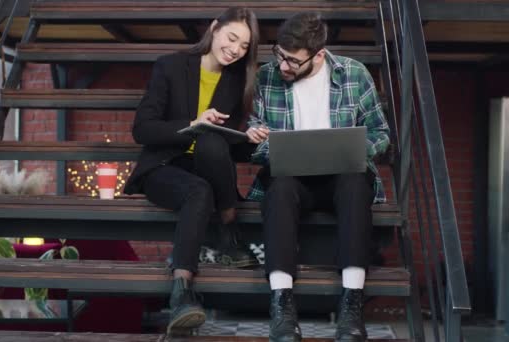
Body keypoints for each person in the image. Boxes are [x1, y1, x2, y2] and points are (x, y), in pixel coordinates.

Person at [245, 13, 390, 342]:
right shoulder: (266, 77)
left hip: (342, 177)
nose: (284, 66)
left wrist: (356, 151)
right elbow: (251, 140)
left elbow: (381, 133)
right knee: (279, 187)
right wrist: (257, 139)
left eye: (293, 61)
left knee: (355, 183)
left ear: (319, 54)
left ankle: (351, 304)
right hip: (291, 179)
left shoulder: (353, 74)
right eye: (280, 55)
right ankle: (282, 305)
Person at [124, 7, 260, 335]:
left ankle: (226, 233)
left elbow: (229, 146)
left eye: (244, 46)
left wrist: (253, 139)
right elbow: (142, 129)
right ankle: (183, 292)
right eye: (232, 38)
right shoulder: (171, 66)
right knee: (199, 190)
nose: (236, 50)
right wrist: (191, 124)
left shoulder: (236, 79)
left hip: (206, 166)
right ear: (214, 29)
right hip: (164, 168)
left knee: (213, 144)